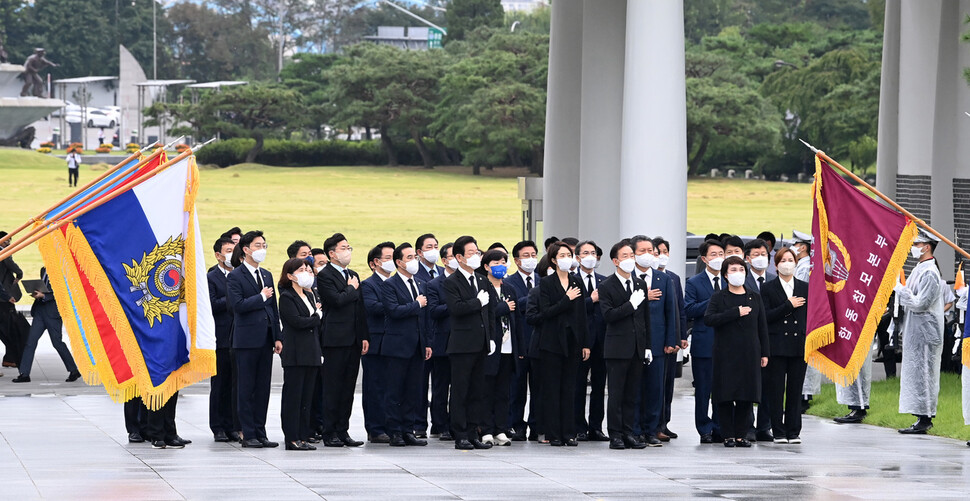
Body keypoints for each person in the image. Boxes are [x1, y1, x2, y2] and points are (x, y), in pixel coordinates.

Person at [704, 256, 769, 447]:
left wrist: (765, 353)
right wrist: (735, 312)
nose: (738, 273)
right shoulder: (719, 297)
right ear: (725, 274)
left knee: (746, 396)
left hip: (749, 352)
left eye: (741, 270)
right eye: (733, 270)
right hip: (725, 353)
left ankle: (741, 434)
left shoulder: (754, 297)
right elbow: (709, 319)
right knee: (725, 395)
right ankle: (728, 435)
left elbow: (762, 326)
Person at [226, 231, 282, 448]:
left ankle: (261, 432)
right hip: (246, 340)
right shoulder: (235, 276)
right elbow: (237, 306)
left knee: (262, 389)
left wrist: (277, 336)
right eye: (258, 245)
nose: (262, 249)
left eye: (264, 245)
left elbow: (273, 309)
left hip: (266, 339)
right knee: (246, 388)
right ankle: (248, 434)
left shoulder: (266, 275)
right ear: (246, 249)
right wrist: (260, 297)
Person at [317, 233, 369, 447]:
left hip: (354, 339)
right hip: (335, 339)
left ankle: (343, 430)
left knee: (348, 388)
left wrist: (364, 335)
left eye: (349, 247)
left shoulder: (353, 274)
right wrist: (350, 289)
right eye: (343, 248)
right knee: (333, 387)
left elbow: (360, 308)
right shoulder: (325, 275)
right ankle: (329, 432)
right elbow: (337, 301)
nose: (347, 251)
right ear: (332, 253)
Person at [443, 236, 494, 450]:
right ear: (459, 257)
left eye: (477, 252)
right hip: (462, 345)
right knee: (460, 391)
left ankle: (474, 433)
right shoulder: (451, 282)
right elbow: (456, 308)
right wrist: (476, 302)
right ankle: (460, 433)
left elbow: (489, 311)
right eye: (471, 253)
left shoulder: (482, 280)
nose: (476, 256)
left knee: (477, 391)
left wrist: (490, 337)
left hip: (480, 343)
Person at [599, 240, 651, 450]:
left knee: (632, 394)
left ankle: (629, 432)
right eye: (625, 256)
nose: (630, 260)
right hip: (617, 348)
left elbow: (644, 318)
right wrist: (630, 305)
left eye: (632, 255)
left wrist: (647, 346)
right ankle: (616, 434)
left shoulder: (639, 284)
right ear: (615, 261)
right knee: (617, 394)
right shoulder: (606, 286)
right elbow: (609, 315)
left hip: (637, 347)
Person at [538, 241, 591, 446]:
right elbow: (545, 313)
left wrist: (585, 343)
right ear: (553, 259)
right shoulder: (546, 283)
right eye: (561, 255)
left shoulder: (577, 282)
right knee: (552, 388)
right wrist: (566, 299)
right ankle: (554, 433)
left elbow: (582, 315)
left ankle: (569, 432)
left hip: (573, 342)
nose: (565, 259)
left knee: (570, 388)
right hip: (552, 342)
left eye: (568, 255)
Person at [380, 243, 432, 447]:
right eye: (409, 257)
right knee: (395, 390)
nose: (414, 261)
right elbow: (393, 311)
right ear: (399, 262)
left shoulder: (420, 284)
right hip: (397, 346)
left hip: (418, 345)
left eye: (414, 257)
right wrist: (416, 304)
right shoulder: (390, 285)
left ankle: (408, 429)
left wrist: (427, 342)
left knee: (414, 390)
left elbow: (425, 317)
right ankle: (394, 431)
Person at [896, 231, 946, 434]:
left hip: (926, 332)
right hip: (916, 331)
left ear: (927, 247)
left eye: (916, 243)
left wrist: (900, 290)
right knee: (916, 374)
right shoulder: (920, 268)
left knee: (925, 374)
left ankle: (926, 418)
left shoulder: (930, 273)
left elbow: (921, 303)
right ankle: (919, 415)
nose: (913, 247)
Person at [630, 235, 677, 446]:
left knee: (655, 388)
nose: (647, 255)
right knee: (635, 388)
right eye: (642, 251)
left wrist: (671, 340)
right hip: (633, 342)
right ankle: (635, 430)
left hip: (658, 342)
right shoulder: (627, 277)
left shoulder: (663, 279)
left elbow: (671, 311)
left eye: (651, 250)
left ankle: (652, 429)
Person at [761, 248, 808, 443]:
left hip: (798, 345)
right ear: (776, 264)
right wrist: (787, 306)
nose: (787, 263)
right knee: (776, 390)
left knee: (796, 390)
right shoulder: (768, 288)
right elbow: (765, 317)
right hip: (777, 344)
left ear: (796, 263)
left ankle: (793, 431)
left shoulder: (805, 287)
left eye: (791, 260)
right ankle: (778, 431)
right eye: (783, 260)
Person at [278, 258, 323, 451]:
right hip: (295, 353)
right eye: (301, 269)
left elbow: (313, 323)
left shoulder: (310, 295)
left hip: (312, 351)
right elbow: (297, 322)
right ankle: (292, 437)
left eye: (307, 269)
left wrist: (314, 319)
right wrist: (316, 317)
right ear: (290, 275)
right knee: (294, 397)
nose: (306, 272)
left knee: (307, 397)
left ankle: (304, 435)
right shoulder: (287, 297)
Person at [684, 239, 726, 443]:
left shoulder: (730, 280)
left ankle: (720, 426)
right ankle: (704, 428)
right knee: (703, 389)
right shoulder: (694, 282)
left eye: (721, 254)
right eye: (714, 255)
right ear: (704, 259)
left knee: (722, 388)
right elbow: (689, 309)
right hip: (703, 344)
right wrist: (713, 301)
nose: (718, 258)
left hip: (726, 344)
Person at [12, 267, 81, 383]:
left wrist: (44, 296)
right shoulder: (44, 269)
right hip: (39, 311)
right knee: (30, 342)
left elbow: (63, 293)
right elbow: (43, 287)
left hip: (52, 313)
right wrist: (37, 293)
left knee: (57, 343)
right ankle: (24, 374)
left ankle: (74, 370)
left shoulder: (62, 271)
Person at [478, 249, 516, 446]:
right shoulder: (482, 287)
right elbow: (485, 313)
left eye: (503, 261)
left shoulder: (509, 288)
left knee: (503, 390)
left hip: (508, 347)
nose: (500, 265)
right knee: (487, 390)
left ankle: (500, 429)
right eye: (496, 262)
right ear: (486, 266)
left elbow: (515, 318)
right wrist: (503, 307)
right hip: (490, 346)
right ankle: (485, 429)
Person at [360, 242, 395, 443]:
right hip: (376, 343)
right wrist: (398, 304)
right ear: (376, 262)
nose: (391, 262)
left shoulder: (398, 283)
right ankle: (375, 428)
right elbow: (373, 308)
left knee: (392, 387)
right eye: (388, 258)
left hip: (395, 342)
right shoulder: (369, 285)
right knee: (375, 387)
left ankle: (391, 426)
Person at [574, 240, 608, 442]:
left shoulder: (604, 281)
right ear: (577, 257)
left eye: (593, 252)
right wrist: (591, 300)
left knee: (599, 386)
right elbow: (572, 308)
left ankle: (596, 426)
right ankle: (578, 425)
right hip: (580, 340)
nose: (590, 256)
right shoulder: (571, 279)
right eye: (585, 252)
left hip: (602, 340)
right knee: (578, 385)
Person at [506, 240, 540, 441]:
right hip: (519, 340)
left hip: (540, 341)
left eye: (533, 254)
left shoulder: (543, 281)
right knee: (516, 387)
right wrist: (534, 299)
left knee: (539, 387)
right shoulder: (509, 283)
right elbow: (512, 306)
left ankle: (536, 424)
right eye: (526, 256)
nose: (531, 259)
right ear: (517, 260)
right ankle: (516, 425)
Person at [653, 236, 687, 440]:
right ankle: (654, 424)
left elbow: (679, 310)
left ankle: (665, 422)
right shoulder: (647, 279)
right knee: (655, 384)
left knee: (668, 384)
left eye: (664, 251)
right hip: (656, 339)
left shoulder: (673, 278)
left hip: (672, 337)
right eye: (657, 252)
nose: (661, 256)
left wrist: (681, 335)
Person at [743, 238, 776, 441]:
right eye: (755, 255)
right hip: (748, 339)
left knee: (769, 385)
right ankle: (748, 426)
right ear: (747, 259)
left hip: (771, 339)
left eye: (763, 255)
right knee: (748, 384)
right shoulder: (741, 280)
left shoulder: (774, 279)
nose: (760, 259)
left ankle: (765, 426)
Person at [207, 237, 239, 442]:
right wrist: (233, 297)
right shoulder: (212, 277)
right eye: (228, 250)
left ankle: (232, 425)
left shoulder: (240, 275)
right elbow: (211, 304)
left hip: (239, 338)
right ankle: (218, 426)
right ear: (218, 255)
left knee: (235, 385)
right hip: (220, 338)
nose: (231, 254)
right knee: (220, 384)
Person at [413, 233, 443, 438]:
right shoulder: (415, 275)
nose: (433, 250)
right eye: (429, 247)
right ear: (419, 252)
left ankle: (440, 424)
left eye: (436, 246)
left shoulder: (442, 273)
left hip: (441, 336)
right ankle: (419, 424)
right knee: (420, 383)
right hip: (422, 334)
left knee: (441, 383)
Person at [425, 243, 456, 440]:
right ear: (444, 261)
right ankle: (440, 424)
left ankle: (456, 423)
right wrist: (455, 305)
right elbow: (434, 311)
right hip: (442, 342)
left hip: (464, 342)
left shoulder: (468, 282)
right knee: (440, 386)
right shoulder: (434, 285)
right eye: (452, 256)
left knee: (460, 386)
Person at [791, 230, 820, 411]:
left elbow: (799, 291)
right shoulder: (801, 264)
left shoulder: (805, 266)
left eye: (795, 245)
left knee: (805, 356)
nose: (792, 248)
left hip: (803, 314)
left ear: (803, 247)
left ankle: (805, 396)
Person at [0, 231, 26, 369]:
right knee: (10, 329)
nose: (9, 243)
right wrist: (20, 273)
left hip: (3, 297)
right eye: (7, 240)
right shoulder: (3, 253)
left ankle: (9, 358)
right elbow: (10, 263)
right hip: (4, 298)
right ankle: (11, 358)